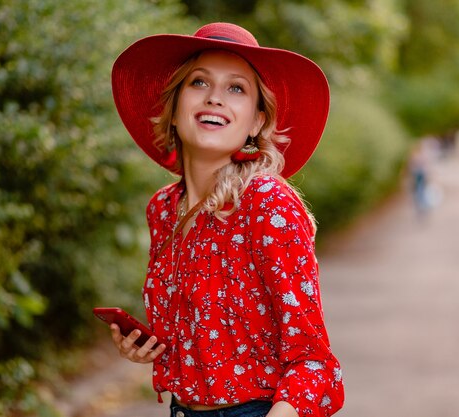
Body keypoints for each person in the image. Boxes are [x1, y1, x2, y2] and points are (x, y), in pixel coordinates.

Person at [108, 22, 344, 417]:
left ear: (255, 122)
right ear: (175, 107)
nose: (215, 97)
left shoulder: (267, 204)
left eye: (236, 88)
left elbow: (312, 360)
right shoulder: (163, 209)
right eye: (199, 83)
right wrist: (146, 346)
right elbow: (210, 336)